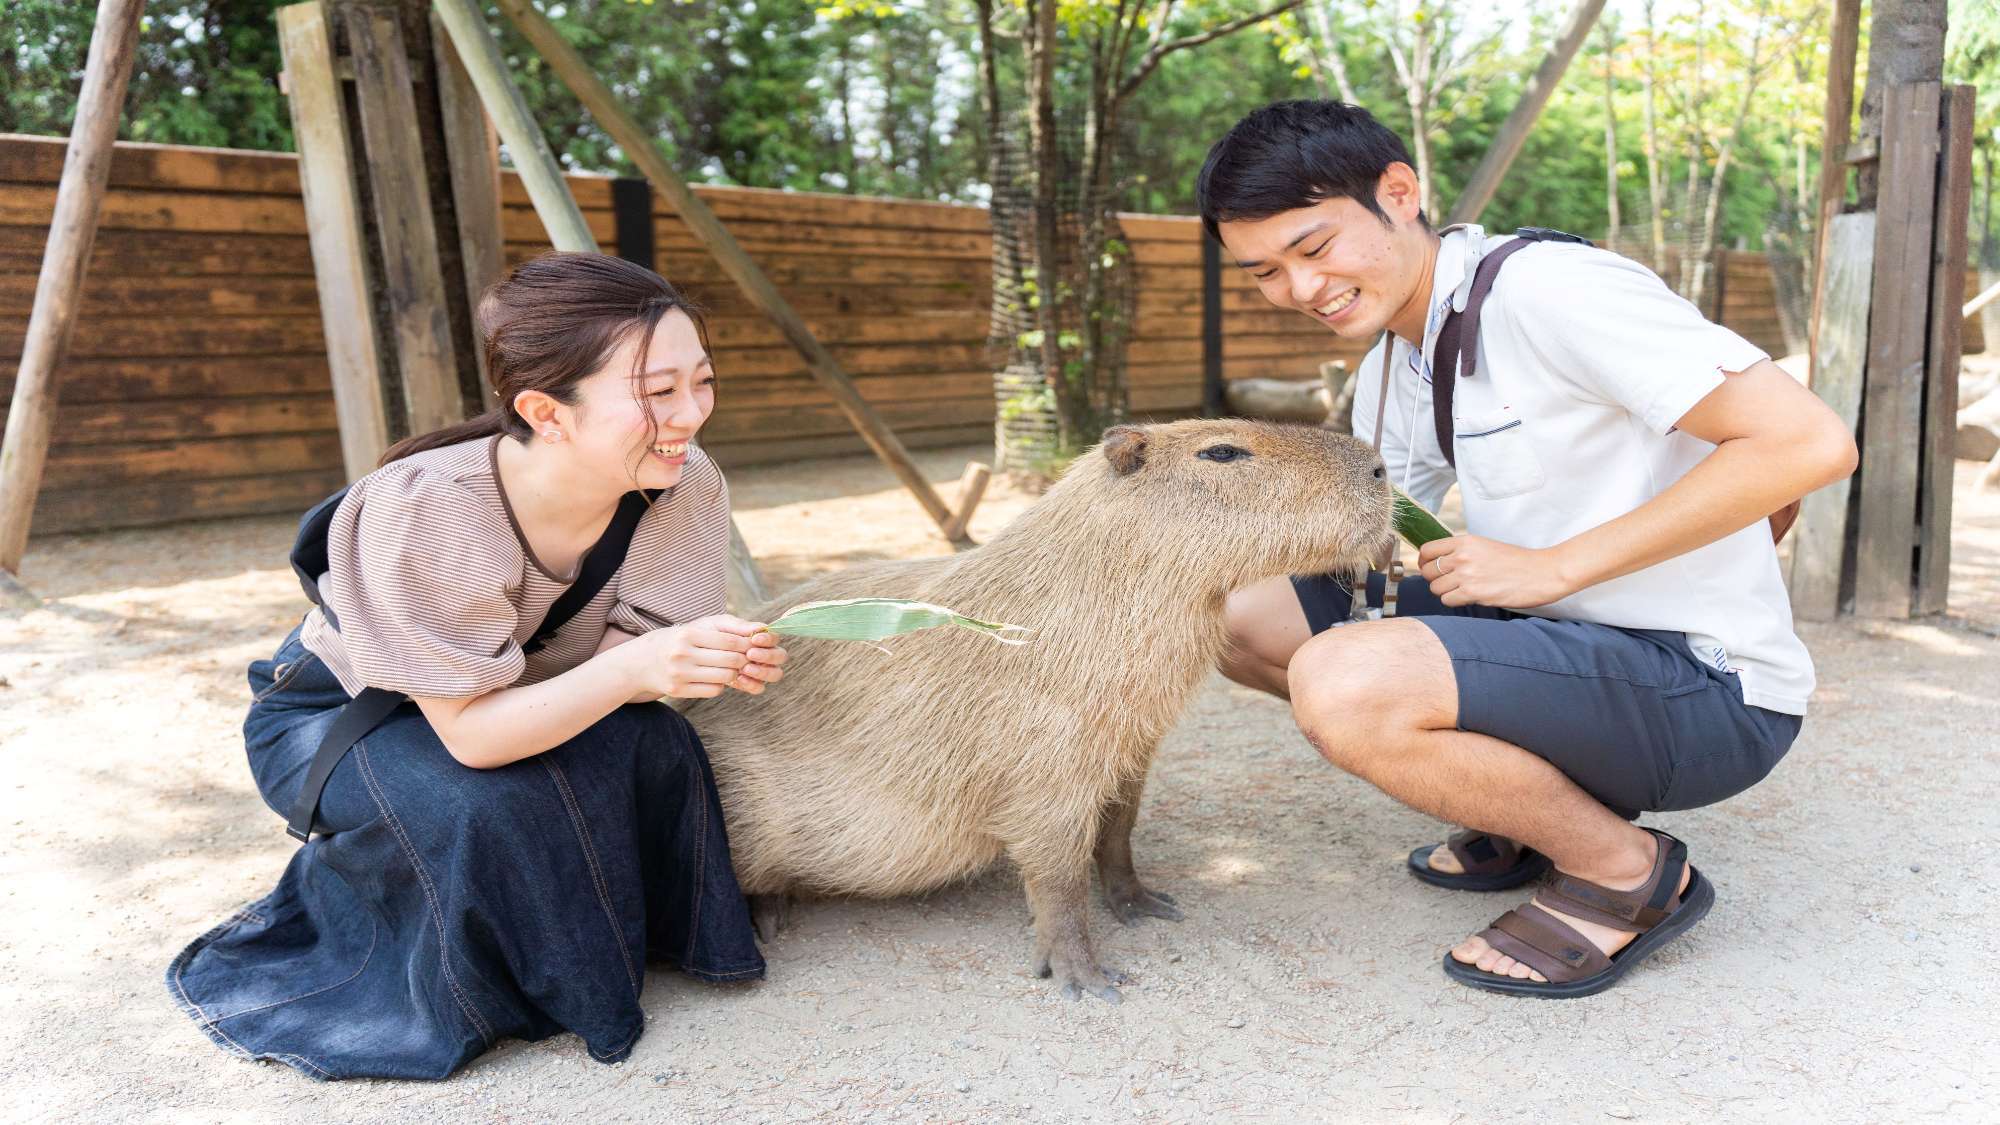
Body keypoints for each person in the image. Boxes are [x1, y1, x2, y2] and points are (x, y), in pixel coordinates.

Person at [1197, 101, 1856, 997]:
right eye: (1266, 273)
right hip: (1560, 641)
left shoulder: (1552, 289)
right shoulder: (1393, 361)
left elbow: (1810, 444)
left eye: (1314, 249)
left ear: (1399, 193)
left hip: (1707, 686)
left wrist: (1555, 565)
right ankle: (1525, 807)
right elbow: (1380, 532)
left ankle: (1624, 871)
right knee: (1245, 614)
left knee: (1344, 681)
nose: (1302, 290)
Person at [167, 252, 786, 1077]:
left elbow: (617, 664)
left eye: (700, 381)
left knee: (651, 743)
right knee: (487, 802)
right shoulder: (428, 507)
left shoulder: (683, 482)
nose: (691, 414)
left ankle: (629, 941)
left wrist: (685, 661)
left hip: (506, 700)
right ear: (546, 411)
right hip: (342, 719)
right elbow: (475, 738)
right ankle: (410, 949)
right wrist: (641, 667)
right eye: (656, 393)